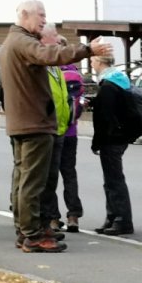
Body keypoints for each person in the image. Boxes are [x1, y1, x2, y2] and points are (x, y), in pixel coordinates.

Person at [0, 0, 110, 253]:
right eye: (40, 15)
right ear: (24, 15)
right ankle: (31, 234)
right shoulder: (24, 42)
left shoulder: (12, 42)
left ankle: (28, 230)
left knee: (25, 179)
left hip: (25, 122)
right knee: (32, 182)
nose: (44, 19)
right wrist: (87, 50)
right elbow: (49, 55)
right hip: (34, 124)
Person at [90, 55, 135, 235]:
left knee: (114, 180)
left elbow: (105, 117)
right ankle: (113, 217)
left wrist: (97, 142)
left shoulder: (107, 86)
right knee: (112, 179)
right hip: (121, 135)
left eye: (93, 60)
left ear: (100, 62)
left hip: (112, 138)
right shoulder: (120, 80)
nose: (91, 63)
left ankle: (121, 219)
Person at [38, 24, 72, 234]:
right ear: (44, 40)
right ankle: (43, 223)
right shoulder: (40, 67)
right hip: (45, 129)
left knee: (51, 180)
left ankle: (49, 222)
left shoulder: (56, 68)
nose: (59, 41)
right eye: (54, 37)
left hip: (59, 129)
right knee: (41, 181)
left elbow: (63, 99)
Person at [59, 44, 86, 233]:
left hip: (54, 131)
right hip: (71, 131)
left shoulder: (51, 72)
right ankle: (73, 215)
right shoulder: (75, 73)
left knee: (50, 177)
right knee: (69, 173)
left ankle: (52, 218)